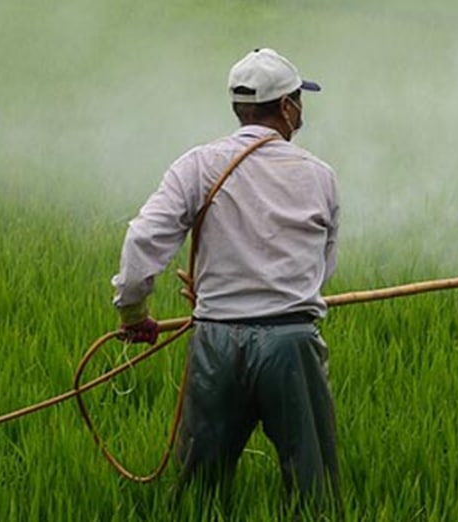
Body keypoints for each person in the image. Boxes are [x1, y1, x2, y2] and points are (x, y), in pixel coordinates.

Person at [110, 48, 340, 512]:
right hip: (291, 342)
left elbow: (143, 238)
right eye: (298, 99)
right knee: (313, 488)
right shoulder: (319, 176)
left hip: (216, 341)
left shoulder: (197, 164)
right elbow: (321, 266)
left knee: (201, 491)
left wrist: (134, 312)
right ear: (287, 106)